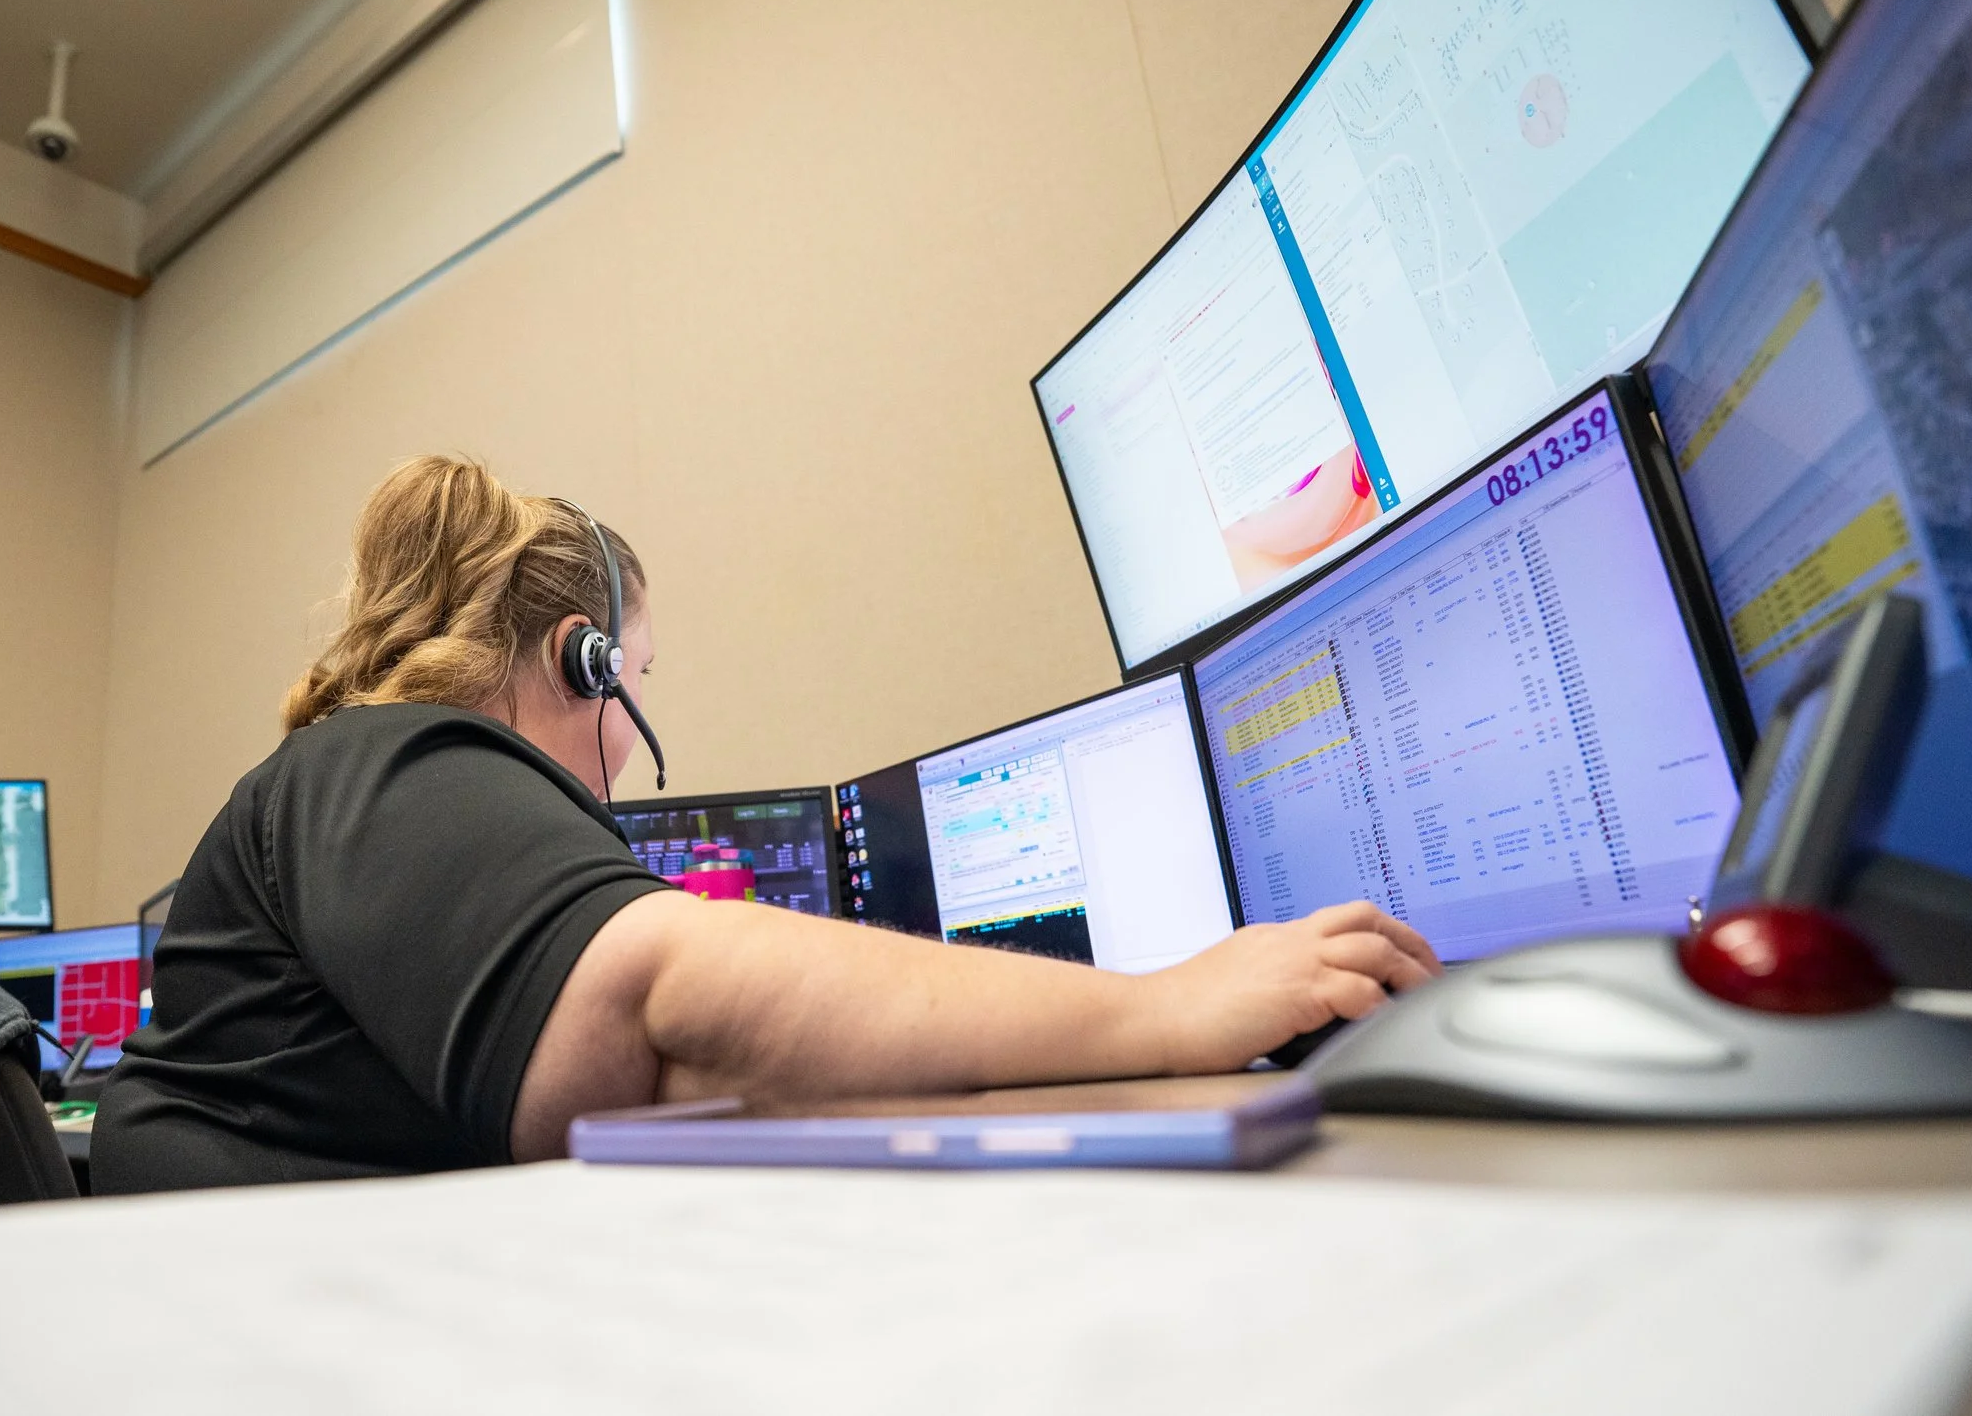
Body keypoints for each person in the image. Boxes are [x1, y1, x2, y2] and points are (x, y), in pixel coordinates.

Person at [92, 458, 1439, 1193]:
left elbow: (673, 1074)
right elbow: (658, 1004)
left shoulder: (345, 782)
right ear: (580, 662)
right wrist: (1171, 1008)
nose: (632, 742)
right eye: (639, 681)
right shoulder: (392, 759)